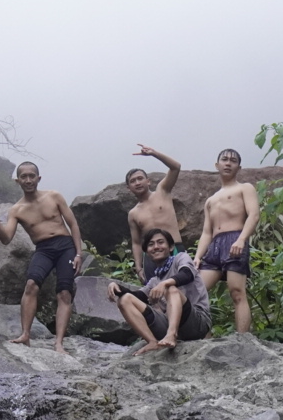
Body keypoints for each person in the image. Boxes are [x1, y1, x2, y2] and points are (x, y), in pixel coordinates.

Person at [0, 161, 87, 352]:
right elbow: (6, 238)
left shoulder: (54, 196)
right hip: (43, 249)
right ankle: (25, 335)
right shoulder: (17, 210)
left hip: (65, 246)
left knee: (64, 292)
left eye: (32, 176)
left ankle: (59, 343)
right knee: (31, 285)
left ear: (38, 178)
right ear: (18, 181)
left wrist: (79, 253)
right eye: (24, 176)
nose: (28, 180)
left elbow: (73, 224)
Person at [105, 228, 210, 353]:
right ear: (147, 253)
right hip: (169, 323)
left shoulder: (181, 258)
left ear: (170, 247)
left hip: (197, 322)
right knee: (125, 300)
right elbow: (138, 296)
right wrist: (117, 288)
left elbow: (187, 274)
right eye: (151, 244)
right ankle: (152, 342)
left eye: (160, 242)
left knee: (171, 289)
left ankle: (172, 334)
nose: (156, 247)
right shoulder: (155, 280)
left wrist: (165, 283)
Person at [193, 148, 260, 333]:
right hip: (214, 246)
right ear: (217, 165)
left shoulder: (244, 188)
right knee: (196, 292)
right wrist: (198, 256)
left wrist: (241, 239)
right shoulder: (211, 200)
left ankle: (242, 339)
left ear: (239, 166)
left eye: (233, 160)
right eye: (224, 159)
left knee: (237, 292)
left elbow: (253, 215)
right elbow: (206, 232)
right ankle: (203, 338)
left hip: (235, 238)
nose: (228, 163)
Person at [123, 145, 182, 281]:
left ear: (148, 181)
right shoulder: (133, 213)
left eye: (140, 178)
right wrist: (138, 268)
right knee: (155, 297)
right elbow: (136, 242)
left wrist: (154, 153)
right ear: (128, 188)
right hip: (151, 255)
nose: (137, 183)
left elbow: (176, 167)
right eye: (133, 181)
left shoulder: (163, 191)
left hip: (174, 249)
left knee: (183, 290)